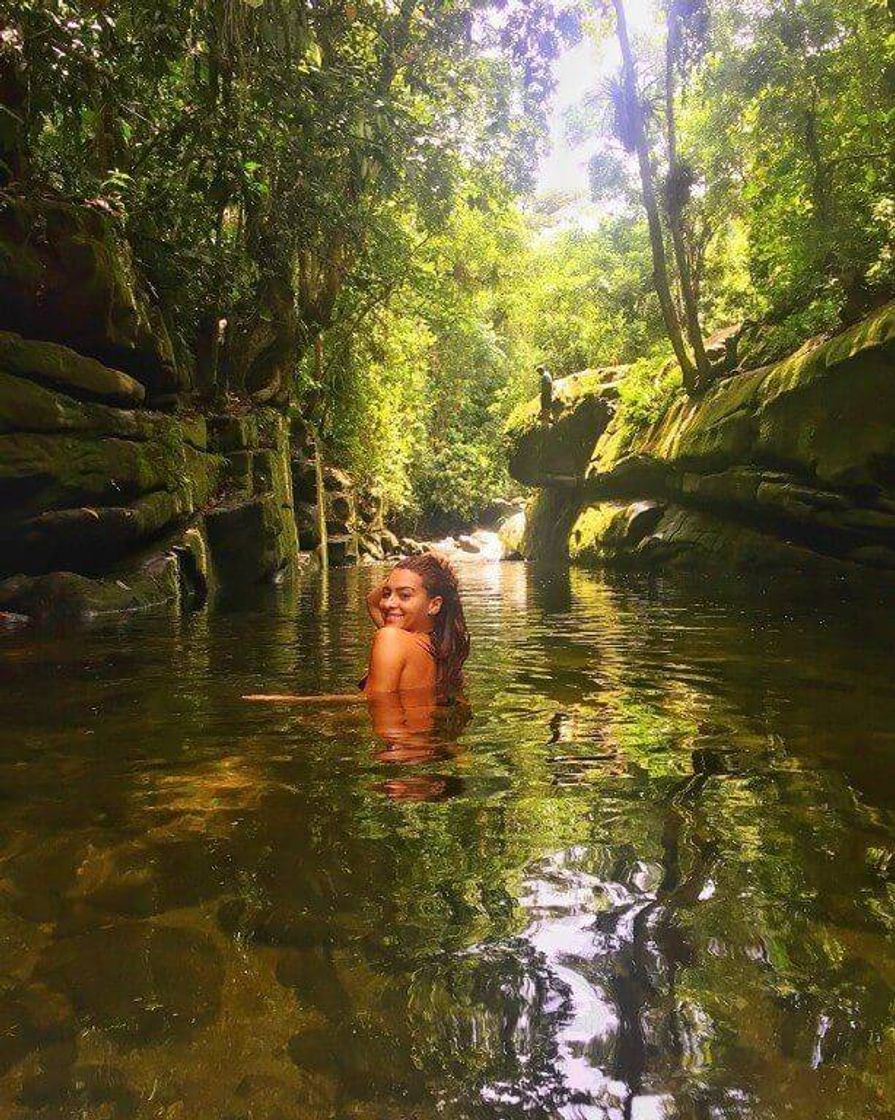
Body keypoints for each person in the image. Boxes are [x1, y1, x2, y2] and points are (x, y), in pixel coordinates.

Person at [242, 551, 469, 703]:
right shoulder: (438, 648)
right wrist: (426, 566)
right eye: (388, 593)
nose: (388, 603)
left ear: (434, 605)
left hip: (397, 754)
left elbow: (374, 706)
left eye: (405, 595)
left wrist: (292, 702)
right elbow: (372, 601)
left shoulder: (391, 638)